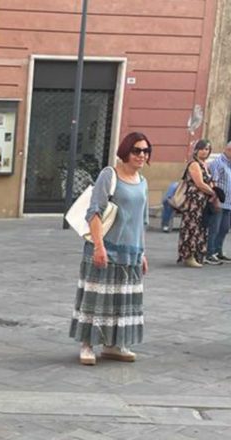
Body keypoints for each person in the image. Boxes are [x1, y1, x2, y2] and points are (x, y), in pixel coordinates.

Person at [70, 132, 150, 366]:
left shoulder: (143, 182)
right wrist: (98, 247)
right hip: (106, 248)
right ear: (126, 151)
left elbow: (141, 221)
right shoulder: (109, 175)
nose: (142, 155)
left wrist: (142, 252)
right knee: (96, 300)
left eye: (146, 151)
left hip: (131, 252)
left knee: (122, 303)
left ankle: (113, 345)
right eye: (137, 150)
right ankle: (87, 344)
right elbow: (94, 212)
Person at [176, 139, 217, 268]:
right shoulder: (194, 164)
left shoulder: (205, 165)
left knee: (201, 228)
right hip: (194, 201)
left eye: (207, 149)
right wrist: (213, 192)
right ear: (196, 150)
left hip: (203, 201)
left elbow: (209, 181)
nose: (205, 152)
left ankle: (198, 254)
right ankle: (189, 255)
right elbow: (199, 183)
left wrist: (214, 192)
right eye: (202, 149)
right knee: (192, 227)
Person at [205, 140, 231, 264]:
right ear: (226, 149)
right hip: (219, 201)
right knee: (214, 229)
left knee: (224, 228)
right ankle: (209, 253)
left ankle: (218, 251)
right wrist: (215, 200)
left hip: (228, 202)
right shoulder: (218, 163)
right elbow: (213, 183)